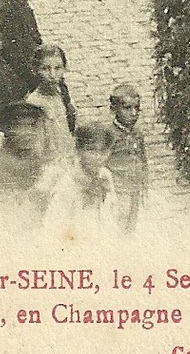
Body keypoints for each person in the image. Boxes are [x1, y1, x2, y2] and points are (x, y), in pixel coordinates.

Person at [42, 121, 120, 243]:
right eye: (91, 150)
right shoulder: (66, 186)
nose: (98, 156)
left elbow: (111, 213)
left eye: (103, 151)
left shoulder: (105, 175)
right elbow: (53, 229)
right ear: (78, 150)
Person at [106, 84, 147, 234]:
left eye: (137, 108)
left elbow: (142, 159)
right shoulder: (109, 135)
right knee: (117, 226)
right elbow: (102, 163)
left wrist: (144, 183)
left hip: (134, 188)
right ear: (113, 109)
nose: (133, 113)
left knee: (131, 224)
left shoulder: (138, 133)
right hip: (118, 191)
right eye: (127, 108)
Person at [27, 43, 77, 165]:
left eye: (58, 68)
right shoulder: (33, 103)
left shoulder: (62, 93)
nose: (53, 75)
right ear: (35, 70)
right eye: (45, 69)